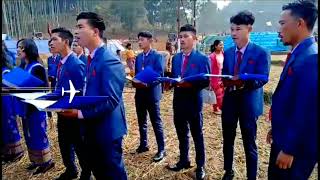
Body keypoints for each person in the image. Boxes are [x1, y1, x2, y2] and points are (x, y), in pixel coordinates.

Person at [60, 12, 128, 179]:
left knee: (112, 175)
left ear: (95, 32)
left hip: (106, 131)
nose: (76, 32)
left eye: (81, 27)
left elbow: (111, 100)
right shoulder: (91, 58)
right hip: (92, 129)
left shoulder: (108, 60)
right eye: (76, 27)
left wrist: (79, 113)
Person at [267, 1, 318, 179]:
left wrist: (290, 149)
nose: (279, 29)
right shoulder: (299, 53)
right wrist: (277, 127)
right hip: (284, 137)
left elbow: (308, 110)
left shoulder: (312, 58)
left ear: (299, 23)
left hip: (296, 150)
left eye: (282, 23)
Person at [221, 11, 271, 180]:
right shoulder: (227, 53)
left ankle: (251, 176)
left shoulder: (261, 52)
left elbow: (263, 78)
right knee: (228, 139)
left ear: (249, 29)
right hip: (230, 102)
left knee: (249, 143)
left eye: (238, 29)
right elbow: (225, 74)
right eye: (232, 29)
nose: (233, 33)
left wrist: (243, 82)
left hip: (248, 103)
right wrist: (226, 81)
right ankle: (228, 171)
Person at [166, 24, 210, 180]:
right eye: (181, 36)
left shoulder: (202, 58)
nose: (182, 39)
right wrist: (169, 81)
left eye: (186, 36)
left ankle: (200, 166)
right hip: (178, 101)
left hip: (193, 102)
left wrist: (190, 84)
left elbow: (206, 81)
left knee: (197, 135)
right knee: (181, 134)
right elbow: (174, 76)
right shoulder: (176, 57)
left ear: (195, 39)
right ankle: (184, 160)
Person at [49, 27, 91, 180]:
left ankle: (86, 174)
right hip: (62, 112)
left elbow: (82, 92)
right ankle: (71, 170)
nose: (50, 43)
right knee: (64, 144)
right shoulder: (61, 62)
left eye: (54, 39)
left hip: (72, 114)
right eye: (50, 40)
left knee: (80, 146)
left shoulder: (76, 64)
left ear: (65, 41)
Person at [16, 38, 55, 174]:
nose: (18, 50)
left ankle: (46, 161)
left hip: (35, 108)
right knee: (29, 135)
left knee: (38, 134)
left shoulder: (36, 67)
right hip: (25, 107)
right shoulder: (22, 66)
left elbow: (42, 89)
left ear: (29, 49)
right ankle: (35, 160)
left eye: (21, 47)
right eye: (18, 47)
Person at [132, 31, 166, 162]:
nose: (140, 42)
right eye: (138, 40)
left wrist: (146, 83)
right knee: (142, 121)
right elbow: (136, 74)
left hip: (151, 94)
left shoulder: (157, 56)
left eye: (142, 40)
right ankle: (143, 144)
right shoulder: (139, 57)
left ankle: (161, 149)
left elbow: (159, 75)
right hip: (139, 94)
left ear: (150, 41)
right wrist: (135, 81)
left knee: (156, 122)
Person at [1, 50, 24, 164]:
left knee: (9, 125)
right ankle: (7, 151)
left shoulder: (6, 70)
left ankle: (16, 152)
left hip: (6, 102)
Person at [209, 40, 224, 114]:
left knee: (222, 93)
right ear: (215, 46)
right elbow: (210, 68)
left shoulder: (223, 54)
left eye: (222, 45)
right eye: (220, 45)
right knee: (216, 94)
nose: (222, 46)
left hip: (223, 76)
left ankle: (221, 107)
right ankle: (215, 108)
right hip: (215, 77)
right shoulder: (212, 56)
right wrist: (209, 80)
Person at [47, 40, 61, 122]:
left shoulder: (60, 58)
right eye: (49, 46)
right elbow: (49, 69)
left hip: (58, 80)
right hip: (52, 81)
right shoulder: (49, 59)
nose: (50, 48)